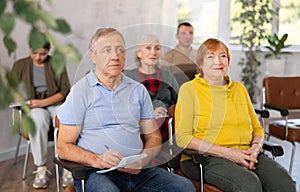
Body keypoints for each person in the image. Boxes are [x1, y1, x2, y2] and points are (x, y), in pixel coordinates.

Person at [56, 28, 195, 192]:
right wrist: (97, 160)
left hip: (138, 171)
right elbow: (63, 147)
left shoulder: (138, 90)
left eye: (120, 49)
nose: (115, 56)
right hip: (98, 172)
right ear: (93, 56)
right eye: (106, 50)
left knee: (185, 187)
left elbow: (153, 136)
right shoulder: (80, 91)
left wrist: (143, 160)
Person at [175, 38, 296, 192]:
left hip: (247, 153)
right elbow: (182, 138)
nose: (217, 61)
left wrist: (255, 149)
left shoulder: (239, 89)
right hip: (205, 158)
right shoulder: (189, 90)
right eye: (210, 57)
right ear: (200, 64)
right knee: (249, 185)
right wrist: (230, 154)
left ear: (229, 61)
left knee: (284, 183)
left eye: (223, 56)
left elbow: (257, 129)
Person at [11, 40, 73, 189]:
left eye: (43, 54)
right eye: (35, 53)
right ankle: (41, 169)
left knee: (65, 117)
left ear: (48, 51)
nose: (38, 57)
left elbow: (65, 90)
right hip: (32, 108)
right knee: (37, 119)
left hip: (54, 103)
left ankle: (67, 167)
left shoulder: (56, 63)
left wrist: (42, 103)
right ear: (30, 49)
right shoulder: (20, 65)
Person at [124, 34, 179, 144]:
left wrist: (169, 111)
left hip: (168, 128)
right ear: (139, 53)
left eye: (157, 48)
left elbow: (180, 101)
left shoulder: (167, 75)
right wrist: (149, 113)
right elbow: (125, 107)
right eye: (148, 48)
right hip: (141, 130)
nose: (153, 52)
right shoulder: (129, 77)